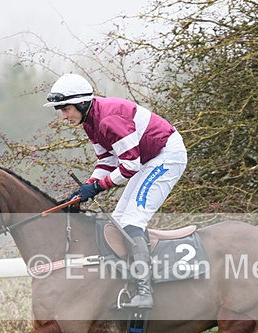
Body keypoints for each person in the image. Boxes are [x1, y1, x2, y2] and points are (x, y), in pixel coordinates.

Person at [44, 73, 188, 309]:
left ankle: (145, 290)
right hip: (146, 159)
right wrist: (85, 188)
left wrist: (97, 187)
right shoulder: (90, 122)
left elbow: (130, 166)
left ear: (81, 103)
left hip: (165, 156)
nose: (63, 116)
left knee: (132, 221)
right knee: (118, 222)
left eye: (65, 109)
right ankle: (129, 285)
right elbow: (107, 162)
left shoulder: (108, 120)